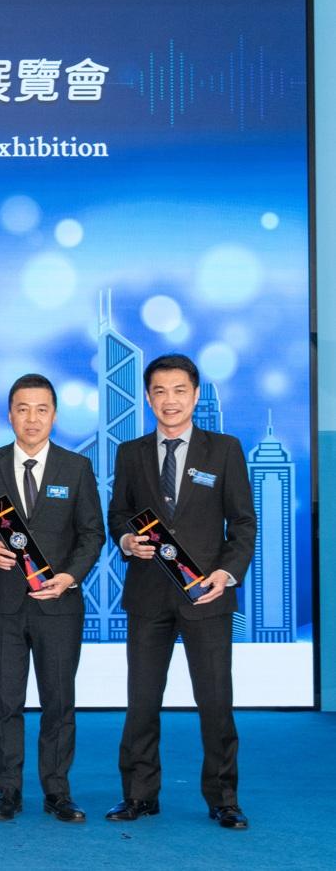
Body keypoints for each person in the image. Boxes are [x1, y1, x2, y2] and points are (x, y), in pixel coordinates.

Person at [106, 353, 255, 830]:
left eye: (179, 391)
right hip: (148, 596)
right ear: (148, 398)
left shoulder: (224, 449)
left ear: (195, 395)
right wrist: (127, 541)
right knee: (142, 702)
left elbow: (244, 524)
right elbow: (118, 515)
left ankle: (224, 798)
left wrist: (225, 574)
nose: (169, 401)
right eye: (159, 391)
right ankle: (139, 795)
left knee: (215, 702)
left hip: (206, 598)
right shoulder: (130, 453)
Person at [0, 374, 104, 822]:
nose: (32, 418)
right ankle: (7, 792)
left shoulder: (75, 468)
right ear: (10, 414)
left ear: (54, 415)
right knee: (5, 702)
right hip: (1, 605)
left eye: (41, 409)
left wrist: (69, 576)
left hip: (57, 605)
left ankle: (57, 792)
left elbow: (92, 534)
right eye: (23, 408)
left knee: (59, 701)